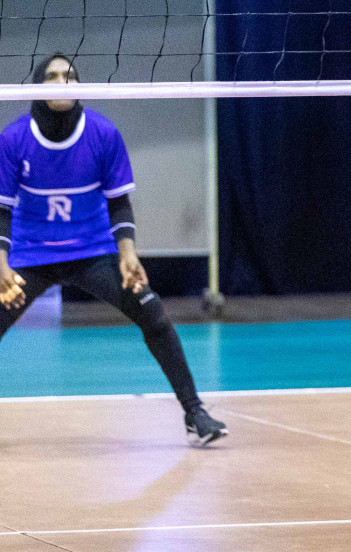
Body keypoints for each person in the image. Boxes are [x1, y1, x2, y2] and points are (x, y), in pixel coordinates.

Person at [0, 54, 226, 445]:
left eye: (69, 76)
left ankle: (195, 413)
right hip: (30, 254)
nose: (62, 83)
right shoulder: (14, 139)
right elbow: (2, 209)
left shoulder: (103, 134)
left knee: (152, 313)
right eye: (52, 77)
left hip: (93, 252)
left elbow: (118, 203)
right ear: (37, 86)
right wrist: (0, 263)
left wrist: (128, 253)